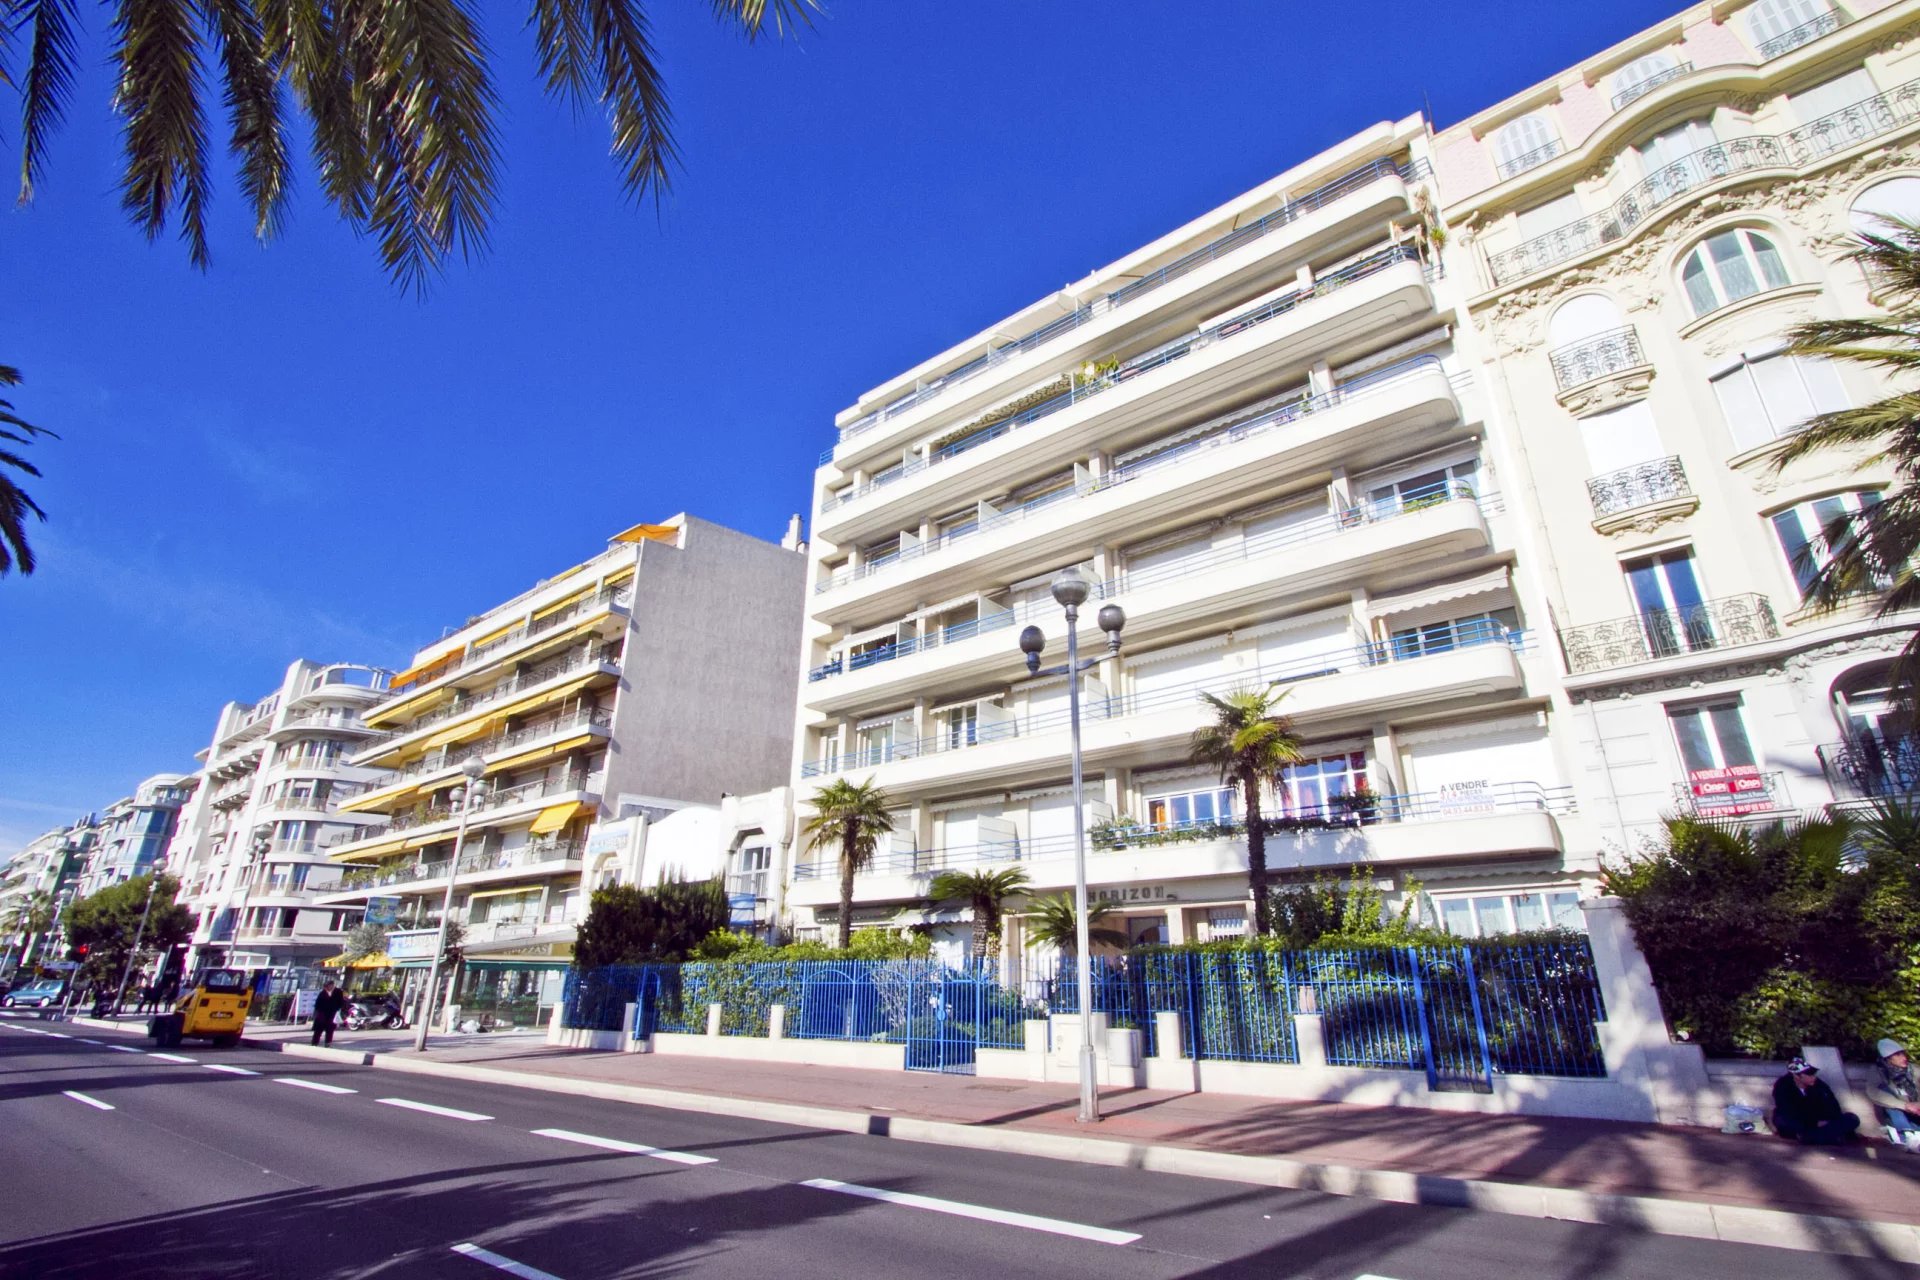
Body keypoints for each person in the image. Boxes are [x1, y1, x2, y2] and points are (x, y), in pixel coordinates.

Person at [1772, 1056, 1861, 1145]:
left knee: (1852, 1118)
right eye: (1809, 1075)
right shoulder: (1782, 1086)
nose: (1813, 1077)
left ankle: (1811, 1137)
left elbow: (1833, 1106)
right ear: (1796, 1076)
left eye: (1813, 1074)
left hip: (1820, 1121)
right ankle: (1828, 1137)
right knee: (1783, 1121)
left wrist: (1825, 1120)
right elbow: (1787, 1109)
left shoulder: (1820, 1086)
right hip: (1801, 1121)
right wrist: (1813, 1122)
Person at [1869, 1038, 1920, 1150]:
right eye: (1897, 1055)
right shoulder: (1879, 1072)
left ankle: (1913, 1136)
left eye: (1903, 1054)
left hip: (1915, 1111)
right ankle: (1907, 1135)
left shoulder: (1913, 1069)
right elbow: (1873, 1093)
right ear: (1888, 1059)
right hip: (1896, 1112)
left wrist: (1917, 1105)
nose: (1904, 1058)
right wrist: (1904, 1106)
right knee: (1885, 1090)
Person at [311, 981, 346, 1047]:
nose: (327, 988)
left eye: (328, 986)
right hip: (322, 1013)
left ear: (332, 985)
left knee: (330, 1029)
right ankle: (314, 1043)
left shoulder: (338, 992)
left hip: (332, 1013)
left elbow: (341, 1002)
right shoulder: (323, 992)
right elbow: (317, 1003)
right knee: (318, 1029)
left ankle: (328, 1043)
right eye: (326, 987)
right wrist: (317, 1012)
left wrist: (337, 1009)